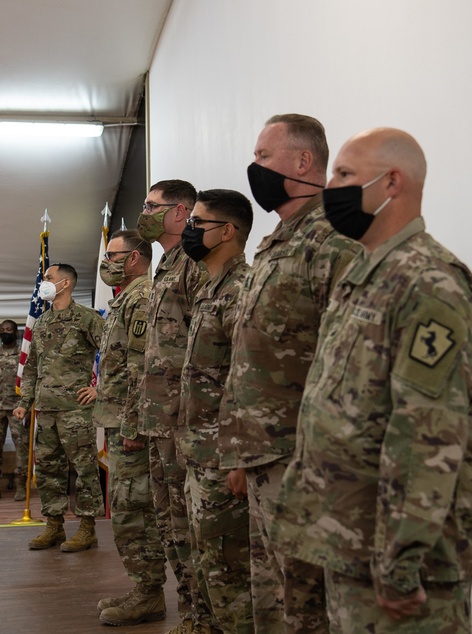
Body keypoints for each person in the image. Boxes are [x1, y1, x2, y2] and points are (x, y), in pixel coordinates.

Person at [271, 128, 472, 632]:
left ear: (391, 182)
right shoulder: (366, 274)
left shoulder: (428, 283)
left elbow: (426, 434)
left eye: (346, 175)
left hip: (396, 561)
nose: (331, 188)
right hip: (350, 541)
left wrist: (400, 558)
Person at [219, 114, 356, 633]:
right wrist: (240, 453)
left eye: (262, 157)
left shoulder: (333, 239)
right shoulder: (278, 241)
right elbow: (251, 354)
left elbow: (343, 357)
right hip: (264, 455)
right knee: (273, 599)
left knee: (310, 605)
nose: (254, 168)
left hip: (303, 461)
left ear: (303, 162)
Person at [80, 230, 168, 626]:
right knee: (128, 510)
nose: (105, 262)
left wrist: (134, 425)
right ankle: (143, 588)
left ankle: (149, 594)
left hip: (131, 426)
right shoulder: (124, 300)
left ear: (134, 258)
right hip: (118, 420)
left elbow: (142, 369)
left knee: (134, 512)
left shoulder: (143, 297)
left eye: (111, 255)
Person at [176, 189, 254, 633]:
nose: (190, 230)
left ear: (227, 231)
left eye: (198, 223)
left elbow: (247, 381)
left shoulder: (241, 290)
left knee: (230, 578)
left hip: (224, 460)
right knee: (208, 569)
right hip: (200, 455)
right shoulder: (210, 289)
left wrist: (239, 458)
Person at [136, 179, 208, 634]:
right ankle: (188, 613)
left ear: (180, 212)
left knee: (191, 526)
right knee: (170, 525)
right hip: (159, 420)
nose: (144, 212)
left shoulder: (194, 265)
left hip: (186, 421)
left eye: (151, 205)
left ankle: (203, 617)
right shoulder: (164, 266)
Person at [13, 263, 104, 552]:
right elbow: (31, 369)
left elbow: (114, 355)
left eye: (49, 278)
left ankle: (87, 529)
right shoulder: (41, 323)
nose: (44, 283)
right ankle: (54, 526)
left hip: (76, 410)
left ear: (65, 284)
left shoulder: (88, 319)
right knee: (49, 471)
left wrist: (98, 388)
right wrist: (24, 403)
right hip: (46, 410)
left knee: (84, 470)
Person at [0, 319, 29, 501]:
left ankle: (21, 486)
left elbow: (30, 382)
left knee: (22, 449)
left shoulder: (23, 356)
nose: (5, 332)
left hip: (18, 408)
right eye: (2, 330)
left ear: (16, 333)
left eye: (8, 329)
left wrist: (28, 407)